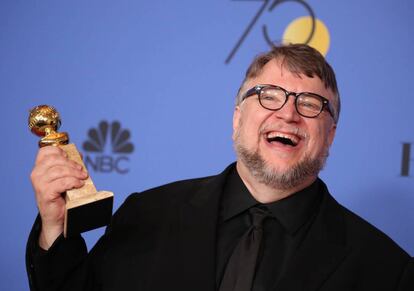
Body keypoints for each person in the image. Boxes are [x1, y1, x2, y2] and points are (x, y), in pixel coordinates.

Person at [26, 44, 414, 291]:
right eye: (269, 96)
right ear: (236, 119)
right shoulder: (146, 214)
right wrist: (55, 230)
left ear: (329, 135)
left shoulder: (388, 270)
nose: (288, 114)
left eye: (311, 104)